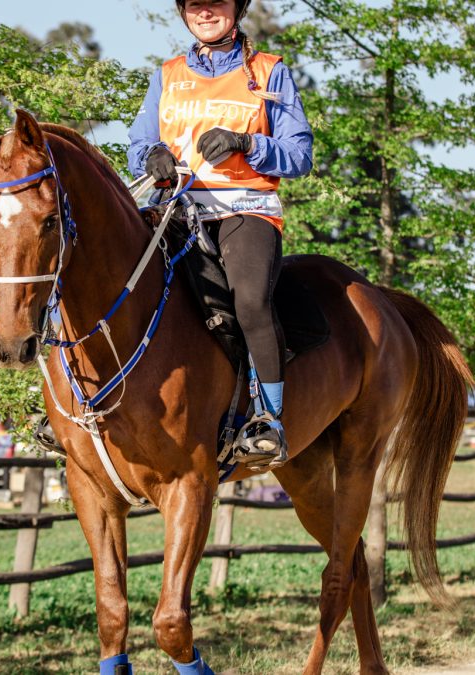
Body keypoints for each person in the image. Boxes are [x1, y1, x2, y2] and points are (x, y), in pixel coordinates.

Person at [128, 0, 313, 470]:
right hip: (175, 206)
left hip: (244, 207)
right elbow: (140, 142)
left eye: (216, 4)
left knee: (250, 300)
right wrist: (152, 156)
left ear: (238, 8)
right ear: (184, 13)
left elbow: (299, 155)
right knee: (104, 273)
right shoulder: (167, 74)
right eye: (195, 5)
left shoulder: (269, 71)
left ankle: (268, 421)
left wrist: (248, 143)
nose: (205, 13)